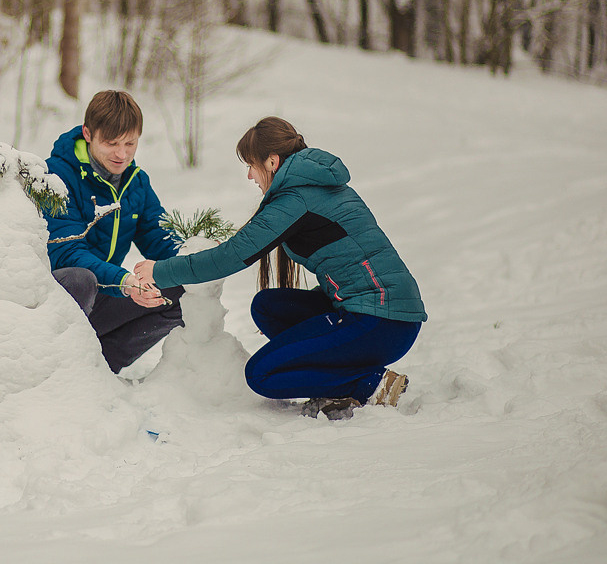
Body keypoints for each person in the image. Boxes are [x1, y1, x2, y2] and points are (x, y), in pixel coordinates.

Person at [134, 117, 425, 417]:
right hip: (372, 312)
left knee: (261, 374)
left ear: (272, 161)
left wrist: (161, 271)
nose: (249, 175)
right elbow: (345, 267)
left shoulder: (296, 199)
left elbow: (230, 257)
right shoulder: (312, 184)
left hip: (382, 321)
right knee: (268, 307)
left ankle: (369, 384)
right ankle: (339, 369)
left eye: (251, 164)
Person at [46, 90, 184, 373]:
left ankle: (97, 370)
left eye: (130, 143)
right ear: (88, 133)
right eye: (111, 143)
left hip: (103, 294)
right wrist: (124, 281)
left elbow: (159, 238)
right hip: (52, 298)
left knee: (179, 287)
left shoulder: (136, 183)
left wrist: (198, 258)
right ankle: (52, 368)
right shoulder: (56, 176)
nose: (122, 154)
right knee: (80, 279)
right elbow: (65, 254)